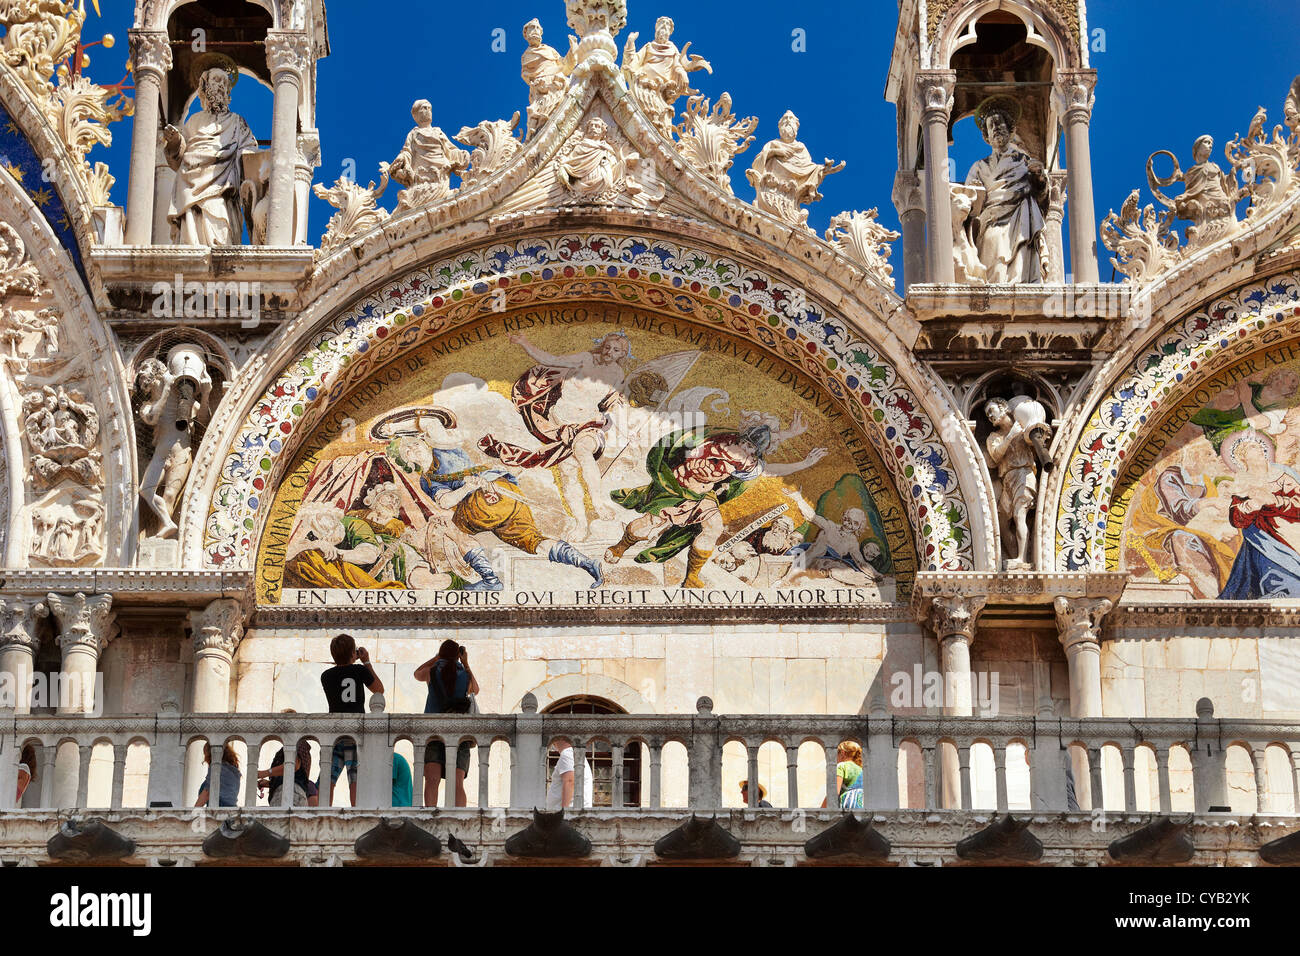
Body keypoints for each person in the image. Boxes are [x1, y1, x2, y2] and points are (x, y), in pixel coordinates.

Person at [163, 66, 259, 245]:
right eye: (216, 80)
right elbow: (180, 154)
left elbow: (250, 152)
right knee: (192, 230)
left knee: (220, 226)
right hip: (190, 183)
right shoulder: (194, 120)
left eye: (224, 82)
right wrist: (175, 141)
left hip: (222, 186)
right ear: (205, 87)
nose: (221, 86)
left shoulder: (237, 122)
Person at [320, 633, 384, 806]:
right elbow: (379, 689)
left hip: (335, 731)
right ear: (352, 653)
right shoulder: (360, 670)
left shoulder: (325, 676)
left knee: (328, 776)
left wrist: (350, 659)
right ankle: (356, 810)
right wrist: (366, 662)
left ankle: (324, 810)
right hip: (356, 731)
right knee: (355, 776)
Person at [415, 639, 479, 807]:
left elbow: (417, 673)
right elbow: (476, 690)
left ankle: (430, 817)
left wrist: (435, 658)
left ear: (441, 653)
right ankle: (459, 818)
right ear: (458, 655)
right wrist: (465, 663)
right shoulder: (464, 674)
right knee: (457, 782)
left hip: (433, 732)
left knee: (432, 780)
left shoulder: (432, 671)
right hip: (460, 732)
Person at [546, 737, 594, 811]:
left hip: (569, 815)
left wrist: (564, 812)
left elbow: (569, 781)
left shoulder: (568, 753)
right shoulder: (573, 753)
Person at [195, 742, 242, 808]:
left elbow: (207, 792)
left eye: (205, 755)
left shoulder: (217, 768)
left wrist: (193, 813)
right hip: (231, 810)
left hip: (218, 810)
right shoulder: (235, 772)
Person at [823, 742, 864, 809]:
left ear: (842, 753)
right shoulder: (861, 769)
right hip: (861, 807)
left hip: (847, 808)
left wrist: (821, 810)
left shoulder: (841, 766)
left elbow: (833, 793)